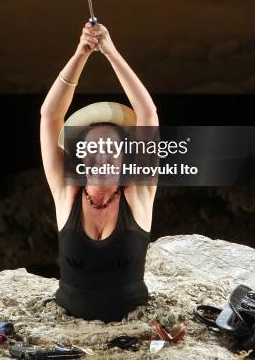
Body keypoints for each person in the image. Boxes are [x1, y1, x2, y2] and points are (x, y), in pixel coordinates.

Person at [40, 22, 159, 322]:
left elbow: (147, 113)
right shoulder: (66, 192)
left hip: (133, 327)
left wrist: (110, 51)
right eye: (93, 149)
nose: (102, 156)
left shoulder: (139, 193)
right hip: (69, 327)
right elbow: (50, 115)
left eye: (111, 149)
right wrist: (81, 53)